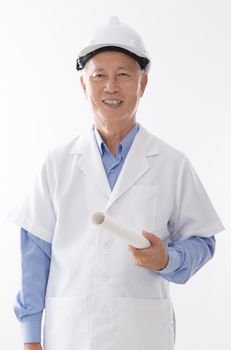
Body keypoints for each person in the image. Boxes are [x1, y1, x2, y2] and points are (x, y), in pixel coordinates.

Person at [8, 17, 224, 350]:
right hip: (70, 335)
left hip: (142, 334)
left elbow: (203, 240)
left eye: (124, 75)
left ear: (143, 84)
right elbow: (35, 255)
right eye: (99, 76)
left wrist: (167, 260)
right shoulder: (56, 164)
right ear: (84, 86)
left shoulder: (172, 164)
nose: (111, 87)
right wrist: (30, 338)